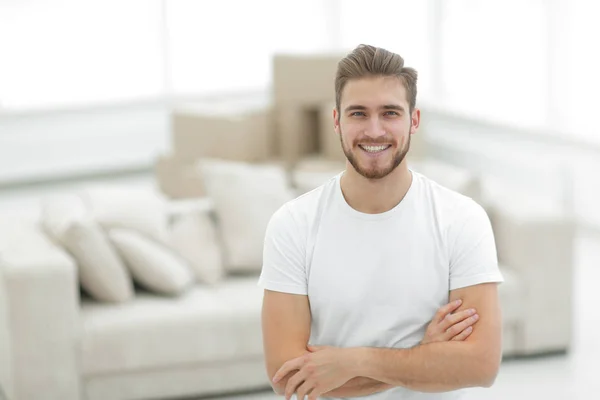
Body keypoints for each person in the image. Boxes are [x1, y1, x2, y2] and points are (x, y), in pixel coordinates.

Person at [258, 44, 504, 400]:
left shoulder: (463, 220)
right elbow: (288, 379)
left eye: (390, 112)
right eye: (358, 113)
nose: (375, 130)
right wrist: (423, 354)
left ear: (413, 120)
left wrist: (352, 362)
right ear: (337, 121)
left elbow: (481, 366)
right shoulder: (292, 225)